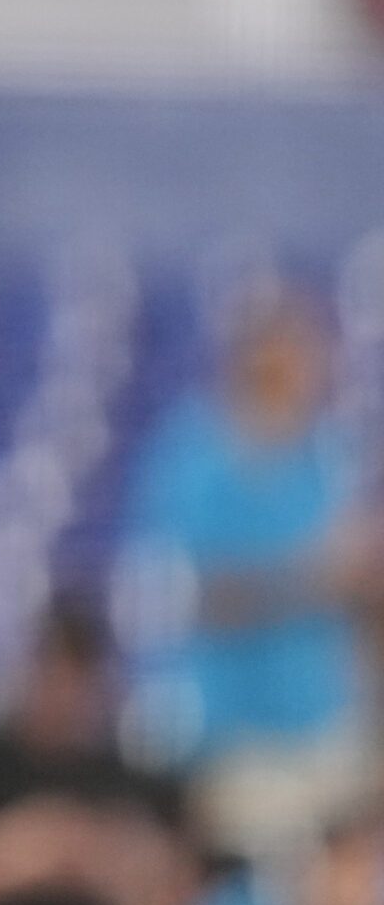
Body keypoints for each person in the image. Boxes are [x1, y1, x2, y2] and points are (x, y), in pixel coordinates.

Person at [124, 292, 374, 861]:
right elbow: (178, 592)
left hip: (323, 724)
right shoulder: (192, 452)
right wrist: (306, 581)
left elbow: (351, 590)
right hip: (232, 736)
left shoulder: (328, 452)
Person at [0, 603, 197, 905]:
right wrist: (22, 850)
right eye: (49, 670)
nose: (61, 690)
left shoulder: (131, 784)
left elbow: (177, 896)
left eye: (75, 673)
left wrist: (110, 861)